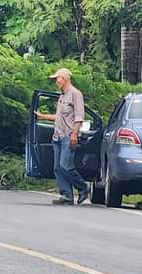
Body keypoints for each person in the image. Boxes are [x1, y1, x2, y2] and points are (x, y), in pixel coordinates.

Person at [35, 68, 90, 205]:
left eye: (57, 79)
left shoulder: (75, 94)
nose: (56, 82)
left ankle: (83, 188)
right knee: (58, 168)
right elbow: (58, 116)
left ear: (64, 78)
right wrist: (43, 116)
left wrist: (74, 134)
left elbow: (79, 117)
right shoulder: (62, 96)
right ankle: (66, 195)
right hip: (57, 136)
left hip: (68, 135)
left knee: (66, 165)